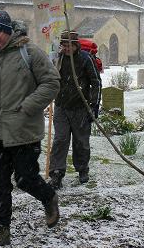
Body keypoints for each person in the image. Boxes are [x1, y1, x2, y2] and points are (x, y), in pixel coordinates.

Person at [0, 10, 61, 248]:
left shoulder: (29, 52)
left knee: (25, 179)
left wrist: (29, 106)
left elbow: (52, 82)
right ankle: (2, 231)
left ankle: (49, 196)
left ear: (9, 32)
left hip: (23, 131)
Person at [48, 31, 101, 190]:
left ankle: (82, 169)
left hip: (81, 108)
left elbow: (96, 82)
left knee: (81, 142)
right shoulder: (58, 58)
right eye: (64, 45)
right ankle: (56, 173)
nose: (66, 48)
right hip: (61, 106)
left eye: (69, 45)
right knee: (60, 140)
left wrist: (94, 105)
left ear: (76, 45)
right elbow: (50, 78)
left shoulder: (85, 59)